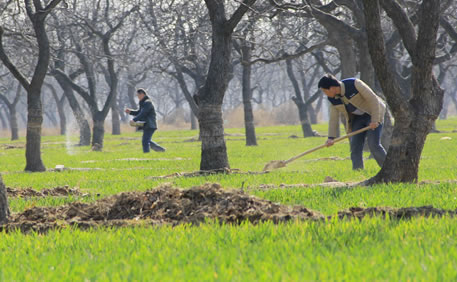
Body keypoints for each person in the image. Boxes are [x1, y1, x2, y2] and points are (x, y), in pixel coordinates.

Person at [318, 74, 386, 170]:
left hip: (374, 113)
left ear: (332, 88)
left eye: (325, 91)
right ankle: (358, 171)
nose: (325, 94)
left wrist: (375, 120)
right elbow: (333, 118)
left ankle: (388, 169)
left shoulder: (354, 84)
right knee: (355, 146)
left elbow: (373, 99)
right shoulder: (332, 98)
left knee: (373, 144)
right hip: (358, 118)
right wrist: (331, 137)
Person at [125, 88, 166, 153]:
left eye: (138, 95)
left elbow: (143, 113)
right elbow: (139, 112)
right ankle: (161, 150)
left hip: (150, 124)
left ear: (142, 94)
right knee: (147, 140)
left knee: (145, 141)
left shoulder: (147, 103)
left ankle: (147, 154)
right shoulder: (143, 102)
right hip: (147, 125)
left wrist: (134, 120)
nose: (138, 97)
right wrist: (130, 112)